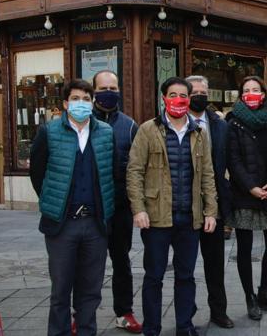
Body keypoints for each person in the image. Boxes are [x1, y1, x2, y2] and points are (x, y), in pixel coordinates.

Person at [127, 77, 217, 336]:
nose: (179, 99)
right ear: (164, 98)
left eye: (183, 95)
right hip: (156, 218)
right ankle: (152, 329)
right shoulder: (148, 130)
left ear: (189, 100)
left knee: (186, 276)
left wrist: (211, 211)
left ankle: (184, 326)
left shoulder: (199, 134)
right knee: (154, 276)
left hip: (189, 218)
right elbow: (134, 172)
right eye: (173, 94)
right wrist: (139, 208)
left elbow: (208, 175)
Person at [30, 79, 117, 336]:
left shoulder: (105, 132)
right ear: (66, 104)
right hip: (62, 224)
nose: (82, 103)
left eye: (86, 99)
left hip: (95, 224)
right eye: (76, 99)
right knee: (60, 290)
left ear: (93, 103)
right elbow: (38, 173)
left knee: (90, 291)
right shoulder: (49, 132)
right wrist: (53, 201)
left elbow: (111, 173)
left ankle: (87, 331)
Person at [226, 75, 267, 320]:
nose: (251, 93)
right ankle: (249, 297)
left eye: (256, 89)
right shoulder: (234, 123)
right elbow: (233, 159)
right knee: (244, 247)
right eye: (246, 90)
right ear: (241, 95)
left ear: (264, 94)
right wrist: (251, 186)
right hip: (245, 193)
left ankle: (265, 291)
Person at [92, 70, 142, 333]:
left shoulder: (130, 125)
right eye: (103, 88)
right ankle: (82, 314)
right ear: (93, 91)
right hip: (90, 208)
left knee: (121, 261)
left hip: (120, 207)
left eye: (113, 87)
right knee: (88, 264)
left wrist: (137, 205)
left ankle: (124, 312)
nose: (109, 92)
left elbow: (136, 168)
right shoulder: (83, 121)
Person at [184, 75, 234, 329]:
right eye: (194, 92)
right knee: (185, 266)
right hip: (184, 206)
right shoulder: (174, 123)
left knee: (215, 264)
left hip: (213, 205)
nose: (200, 96)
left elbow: (228, 163)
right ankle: (186, 313)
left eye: (204, 92)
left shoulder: (219, 125)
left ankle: (219, 311)